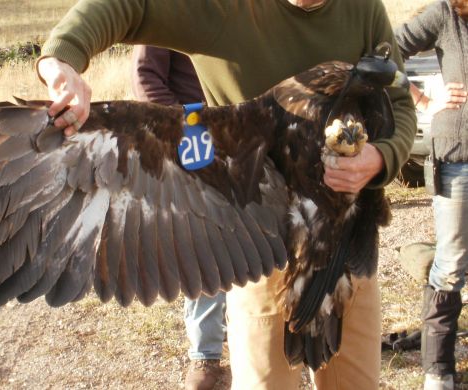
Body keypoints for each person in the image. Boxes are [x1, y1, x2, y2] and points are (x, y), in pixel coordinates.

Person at [35, 0, 417, 388]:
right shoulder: (225, 8)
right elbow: (131, 6)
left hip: (349, 240)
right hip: (259, 244)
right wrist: (61, 58)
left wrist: (381, 158)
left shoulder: (363, 8)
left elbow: (398, 99)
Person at [131, 45, 226, 390]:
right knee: (205, 243)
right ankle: (207, 355)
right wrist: (188, 129)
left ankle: (279, 338)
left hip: (250, 135)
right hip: (196, 138)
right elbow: (145, 75)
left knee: (271, 235)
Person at [395, 1, 468, 388]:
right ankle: (438, 373)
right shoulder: (447, 15)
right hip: (459, 158)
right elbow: (383, 50)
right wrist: (425, 101)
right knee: (452, 264)